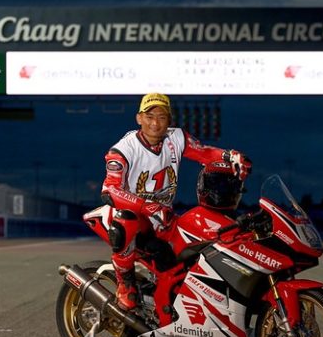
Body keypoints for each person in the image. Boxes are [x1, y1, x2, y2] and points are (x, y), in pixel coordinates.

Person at [101, 93, 251, 310]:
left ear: (169, 120)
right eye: (149, 116)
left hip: (163, 217)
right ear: (139, 118)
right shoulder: (123, 150)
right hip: (131, 215)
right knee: (127, 220)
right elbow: (110, 190)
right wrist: (146, 206)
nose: (155, 123)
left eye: (161, 117)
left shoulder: (176, 138)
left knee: (201, 241)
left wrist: (230, 156)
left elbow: (204, 153)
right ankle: (125, 283)